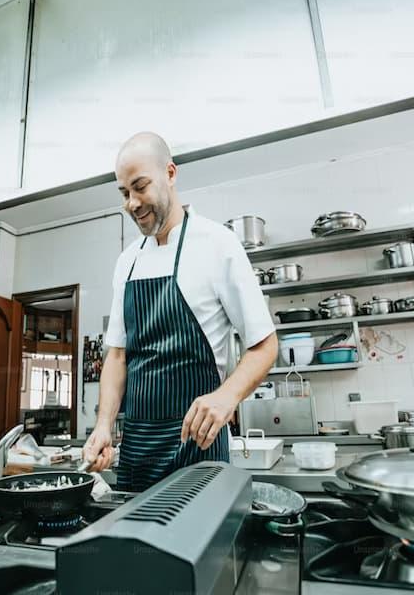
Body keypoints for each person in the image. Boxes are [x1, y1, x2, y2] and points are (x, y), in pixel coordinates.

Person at [82, 132, 278, 491]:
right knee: (134, 545)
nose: (132, 203)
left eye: (140, 186)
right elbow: (117, 355)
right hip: (137, 451)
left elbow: (265, 346)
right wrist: (103, 426)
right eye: (124, 193)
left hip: (198, 448)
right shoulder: (127, 262)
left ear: (170, 174)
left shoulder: (217, 244)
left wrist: (226, 396)